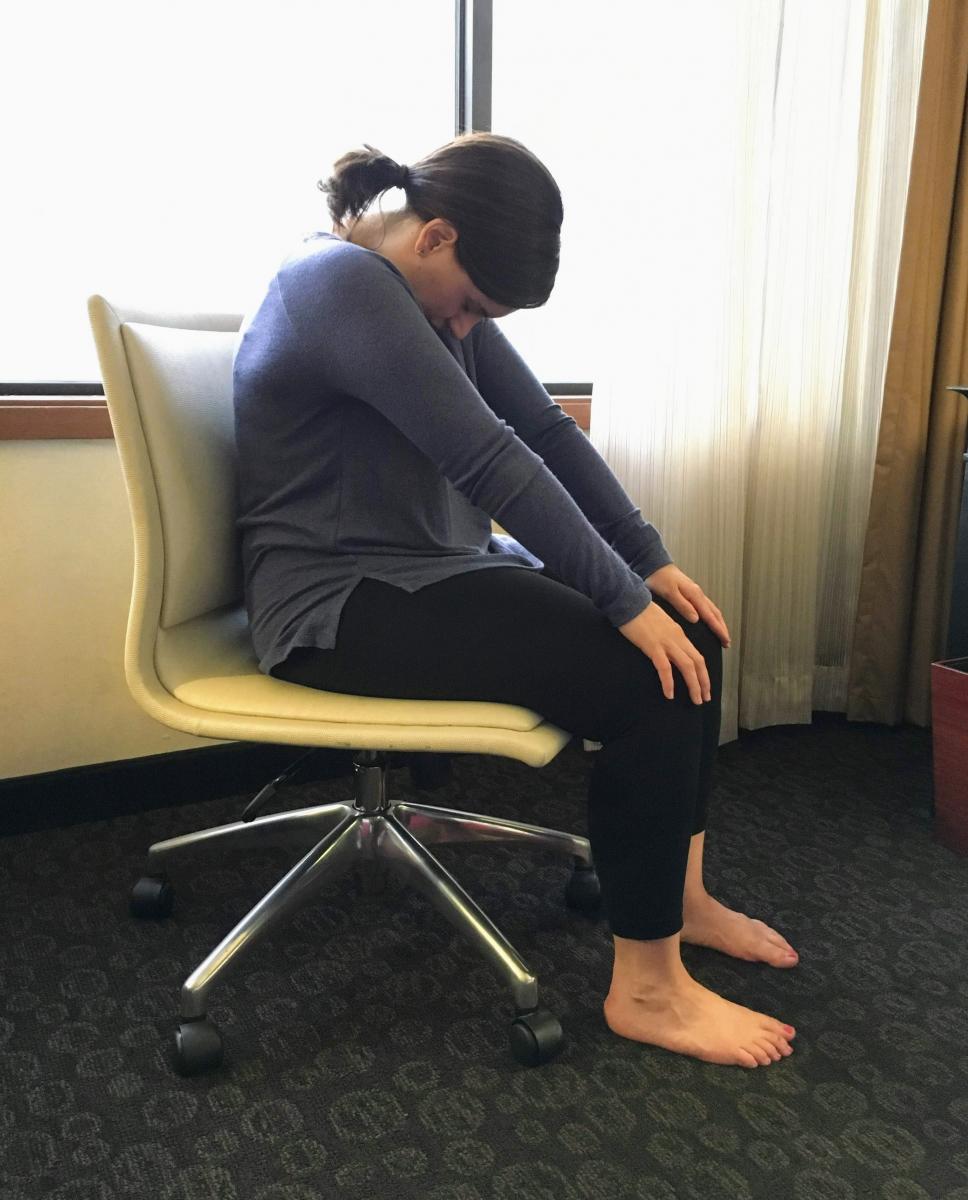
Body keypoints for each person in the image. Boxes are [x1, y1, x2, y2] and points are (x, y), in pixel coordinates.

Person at [232, 131, 799, 1068]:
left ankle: (682, 903)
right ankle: (648, 991)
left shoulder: (420, 289)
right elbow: (487, 458)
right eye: (471, 308)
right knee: (644, 672)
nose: (466, 328)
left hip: (425, 569)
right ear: (436, 236)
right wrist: (620, 601)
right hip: (335, 604)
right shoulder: (336, 283)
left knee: (689, 630)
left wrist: (647, 563)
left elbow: (540, 427)